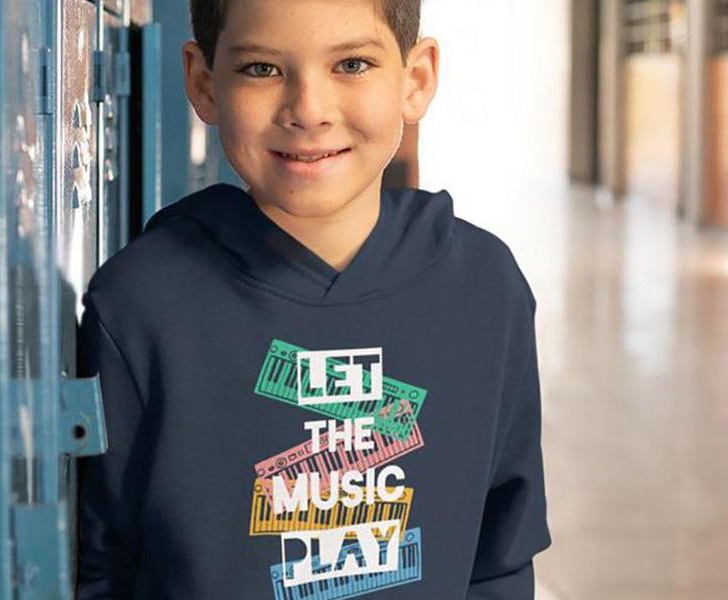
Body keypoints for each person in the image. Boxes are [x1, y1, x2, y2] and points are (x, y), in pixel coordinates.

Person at [75, 0, 552, 598]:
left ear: (417, 78)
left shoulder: (485, 288)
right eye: (262, 69)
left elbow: (502, 553)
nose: (309, 111)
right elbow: (104, 567)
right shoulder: (141, 304)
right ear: (203, 83)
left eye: (352, 64)